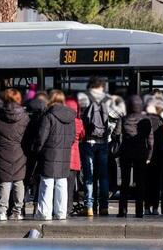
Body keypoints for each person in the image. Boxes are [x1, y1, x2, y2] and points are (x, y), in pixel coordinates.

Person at [34, 90, 76, 221]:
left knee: (47, 183)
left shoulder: (48, 115)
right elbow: (73, 138)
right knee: (62, 184)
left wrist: (38, 150)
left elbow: (41, 137)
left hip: (49, 153)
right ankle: (61, 213)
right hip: (65, 154)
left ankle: (44, 213)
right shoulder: (71, 117)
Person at [0, 89, 30, 221]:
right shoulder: (25, 117)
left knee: (5, 183)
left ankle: (1, 211)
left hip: (2, 152)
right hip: (19, 153)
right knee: (19, 182)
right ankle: (18, 211)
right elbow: (28, 138)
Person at [114, 95, 154, 218]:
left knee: (125, 183)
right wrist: (149, 155)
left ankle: (122, 211)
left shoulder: (124, 118)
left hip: (126, 152)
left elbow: (116, 134)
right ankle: (139, 211)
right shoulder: (146, 120)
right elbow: (151, 141)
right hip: (141, 153)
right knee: (140, 182)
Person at [78, 76, 112, 216]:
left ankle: (89, 207)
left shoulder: (84, 98)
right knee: (103, 176)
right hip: (103, 142)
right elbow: (115, 120)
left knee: (88, 176)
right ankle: (104, 207)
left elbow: (79, 119)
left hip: (88, 142)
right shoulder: (108, 99)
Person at [145, 99, 163, 215]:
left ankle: (146, 207)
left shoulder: (144, 120)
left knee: (147, 182)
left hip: (147, 155)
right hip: (159, 155)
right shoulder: (160, 122)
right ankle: (155, 208)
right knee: (157, 183)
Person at [65, 97, 86, 217]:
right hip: (74, 158)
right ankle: (68, 208)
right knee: (70, 186)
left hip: (62, 157)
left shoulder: (62, 120)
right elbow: (83, 135)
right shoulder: (78, 122)